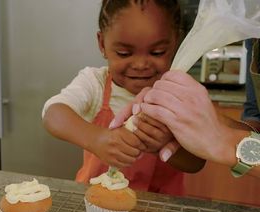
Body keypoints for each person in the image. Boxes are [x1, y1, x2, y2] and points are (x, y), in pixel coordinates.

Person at [42, 0, 203, 195]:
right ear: (102, 44)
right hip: (97, 202)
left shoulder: (180, 92)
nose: (141, 64)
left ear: (175, 41)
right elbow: (53, 114)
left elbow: (196, 163)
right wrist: (97, 139)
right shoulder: (96, 83)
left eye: (157, 52)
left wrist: (165, 144)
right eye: (124, 53)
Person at [110, 39, 260, 178]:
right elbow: (255, 130)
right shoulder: (253, 40)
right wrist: (208, 121)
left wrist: (223, 141)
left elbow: (227, 141)